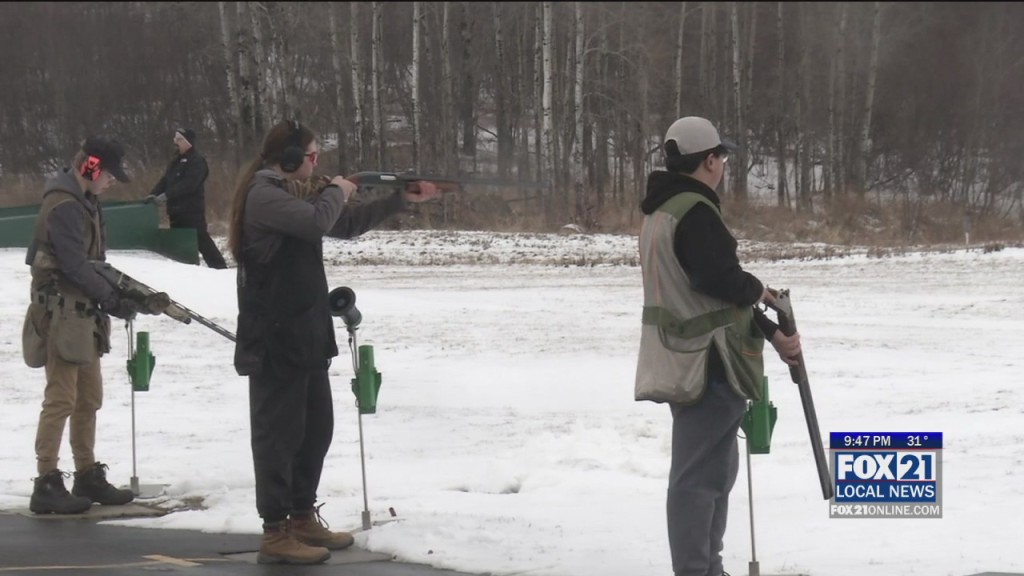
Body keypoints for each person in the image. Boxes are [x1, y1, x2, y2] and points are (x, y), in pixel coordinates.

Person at [226, 119, 440, 565]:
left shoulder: (295, 195)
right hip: (274, 338)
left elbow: (343, 225)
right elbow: (317, 221)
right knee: (277, 438)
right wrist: (341, 187)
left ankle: (302, 517)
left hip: (305, 333)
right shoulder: (265, 195)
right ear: (287, 160)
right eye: (311, 156)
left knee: (314, 432)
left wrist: (399, 199)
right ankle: (275, 529)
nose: (317, 163)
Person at [634, 116, 802, 576]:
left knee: (713, 474)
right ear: (709, 161)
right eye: (721, 157)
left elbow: (709, 294)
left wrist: (769, 328)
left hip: (688, 356)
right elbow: (719, 279)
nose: (724, 165)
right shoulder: (695, 210)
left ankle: (709, 567)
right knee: (697, 480)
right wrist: (758, 290)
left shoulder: (662, 209)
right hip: (709, 363)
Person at [21, 136, 142, 515]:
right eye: (108, 174)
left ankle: (86, 472)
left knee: (89, 399)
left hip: (82, 314)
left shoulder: (83, 201)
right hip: (63, 315)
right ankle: (47, 480)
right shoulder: (65, 206)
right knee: (61, 399)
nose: (109, 181)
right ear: (91, 167)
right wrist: (111, 298)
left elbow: (93, 265)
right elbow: (74, 265)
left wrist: (119, 294)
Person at [148, 128, 228, 269]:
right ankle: (186, 269)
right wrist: (153, 194)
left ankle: (219, 267)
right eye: (175, 139)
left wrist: (167, 195)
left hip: (191, 211)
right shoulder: (175, 161)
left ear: (187, 142)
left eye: (179, 139)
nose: (175, 142)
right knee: (180, 243)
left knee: (201, 240)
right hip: (175, 211)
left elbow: (189, 184)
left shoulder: (197, 161)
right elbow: (165, 180)